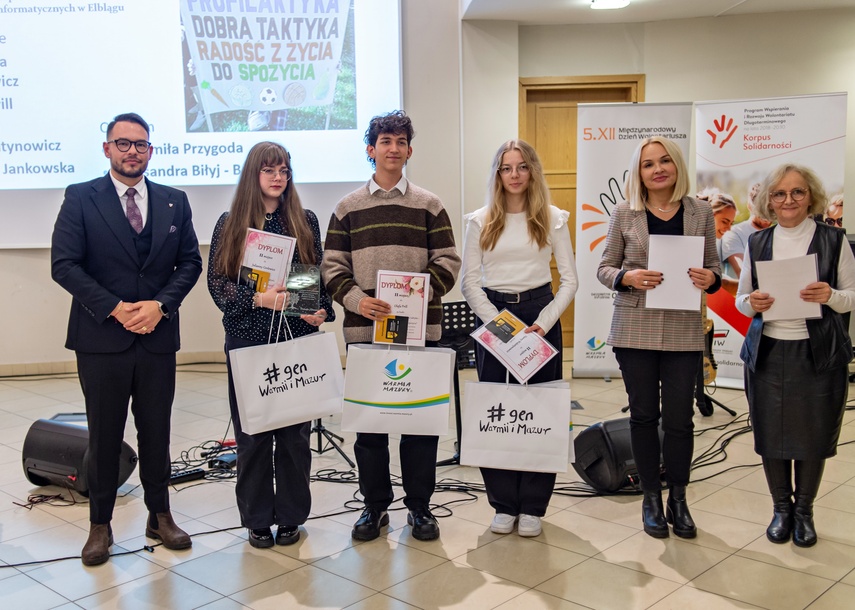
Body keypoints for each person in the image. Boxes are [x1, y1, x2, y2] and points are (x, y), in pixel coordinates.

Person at [51, 113, 202, 566]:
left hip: (157, 336)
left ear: (150, 150)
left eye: (140, 144)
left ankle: (160, 515)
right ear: (107, 149)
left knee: (157, 431)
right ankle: (100, 524)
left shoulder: (174, 200)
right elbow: (64, 264)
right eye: (123, 143)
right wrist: (116, 308)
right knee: (104, 435)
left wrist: (161, 305)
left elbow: (190, 263)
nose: (132, 151)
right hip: (101, 338)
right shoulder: (81, 197)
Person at [321, 110, 461, 542]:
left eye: (401, 141)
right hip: (366, 334)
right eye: (385, 141)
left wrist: (419, 295)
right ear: (371, 149)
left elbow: (449, 261)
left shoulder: (429, 205)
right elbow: (331, 268)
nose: (393, 148)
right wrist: (359, 301)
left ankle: (420, 507)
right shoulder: (347, 208)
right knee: (370, 428)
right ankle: (374, 506)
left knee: (420, 426)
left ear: (409, 151)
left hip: (420, 333)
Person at [208, 142, 333, 548]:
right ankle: (258, 518)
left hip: (295, 338)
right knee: (254, 435)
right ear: (253, 175)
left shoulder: (304, 220)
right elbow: (217, 284)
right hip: (247, 340)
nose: (278, 177)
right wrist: (258, 299)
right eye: (269, 170)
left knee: (295, 437)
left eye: (284, 170)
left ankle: (292, 516)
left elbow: (311, 276)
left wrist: (315, 310)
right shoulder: (230, 223)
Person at [596, 136, 721, 539]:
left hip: (683, 327)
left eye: (664, 161)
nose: (658, 169)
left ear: (676, 165)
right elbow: (604, 268)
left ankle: (678, 498)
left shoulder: (701, 212)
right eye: (648, 164)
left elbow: (714, 268)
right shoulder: (624, 212)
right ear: (639, 172)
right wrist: (627, 277)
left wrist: (711, 278)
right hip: (635, 327)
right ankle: (651, 497)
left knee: (681, 420)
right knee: (644, 416)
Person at [460, 140, 578, 537]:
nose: (514, 174)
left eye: (522, 167)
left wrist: (542, 323)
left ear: (532, 171)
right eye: (506, 167)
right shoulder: (479, 220)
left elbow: (570, 280)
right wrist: (499, 326)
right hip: (495, 317)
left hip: (539, 317)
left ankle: (533, 506)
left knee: (541, 410)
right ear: (497, 173)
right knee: (496, 408)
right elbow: (469, 283)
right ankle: (503, 504)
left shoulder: (553, 218)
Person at [736, 164, 855, 547]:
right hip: (768, 354)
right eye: (780, 193)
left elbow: (852, 296)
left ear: (811, 196)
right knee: (770, 433)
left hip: (818, 355)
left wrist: (830, 296)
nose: (789, 200)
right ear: (768, 200)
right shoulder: (757, 242)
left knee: (813, 434)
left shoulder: (834, 240)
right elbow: (741, 300)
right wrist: (752, 302)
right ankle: (781, 510)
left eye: (797, 192)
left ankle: (804, 510)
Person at [721, 182, 771, 280]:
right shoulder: (734, 233)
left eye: (769, 208)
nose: (766, 214)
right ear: (750, 206)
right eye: (761, 209)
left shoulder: (778, 234)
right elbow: (743, 273)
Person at [698, 188, 738, 296]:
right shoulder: (696, 241)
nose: (728, 228)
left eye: (731, 223)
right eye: (725, 221)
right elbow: (723, 284)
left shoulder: (708, 244)